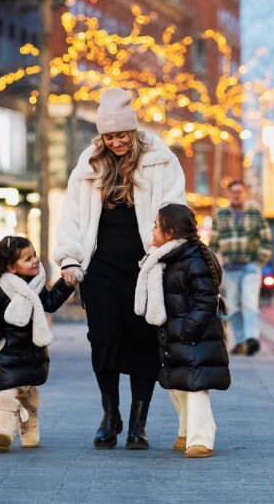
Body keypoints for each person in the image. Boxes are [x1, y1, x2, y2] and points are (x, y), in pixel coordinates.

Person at [55, 87, 187, 450]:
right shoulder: (88, 165)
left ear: (133, 129)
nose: (115, 142)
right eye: (108, 135)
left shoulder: (161, 160)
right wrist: (69, 259)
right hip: (100, 268)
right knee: (103, 339)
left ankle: (137, 424)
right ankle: (109, 414)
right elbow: (71, 217)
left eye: (121, 135)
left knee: (144, 341)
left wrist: (168, 252)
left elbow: (176, 210)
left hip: (146, 266)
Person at [135, 203, 230, 459]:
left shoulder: (194, 258)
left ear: (170, 232)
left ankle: (201, 439)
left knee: (196, 387)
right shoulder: (165, 258)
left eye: (156, 226)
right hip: (174, 334)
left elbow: (206, 299)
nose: (152, 231)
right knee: (178, 387)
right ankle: (186, 431)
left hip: (193, 336)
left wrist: (189, 331)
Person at [0, 236, 74, 453]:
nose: (35, 261)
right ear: (12, 267)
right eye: (28, 259)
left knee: (29, 397)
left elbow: (50, 303)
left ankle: (30, 432)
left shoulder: (36, 285)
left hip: (30, 352)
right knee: (8, 396)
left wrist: (65, 285)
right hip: (4, 355)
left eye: (35, 255)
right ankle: (4, 432)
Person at [208, 180, 273, 356]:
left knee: (250, 303)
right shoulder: (220, 215)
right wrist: (211, 265)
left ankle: (252, 338)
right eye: (233, 192)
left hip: (250, 266)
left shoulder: (255, 214)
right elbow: (213, 244)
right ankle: (241, 340)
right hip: (230, 268)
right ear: (229, 194)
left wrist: (260, 260)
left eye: (240, 191)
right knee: (233, 307)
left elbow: (266, 239)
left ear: (245, 193)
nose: (237, 195)